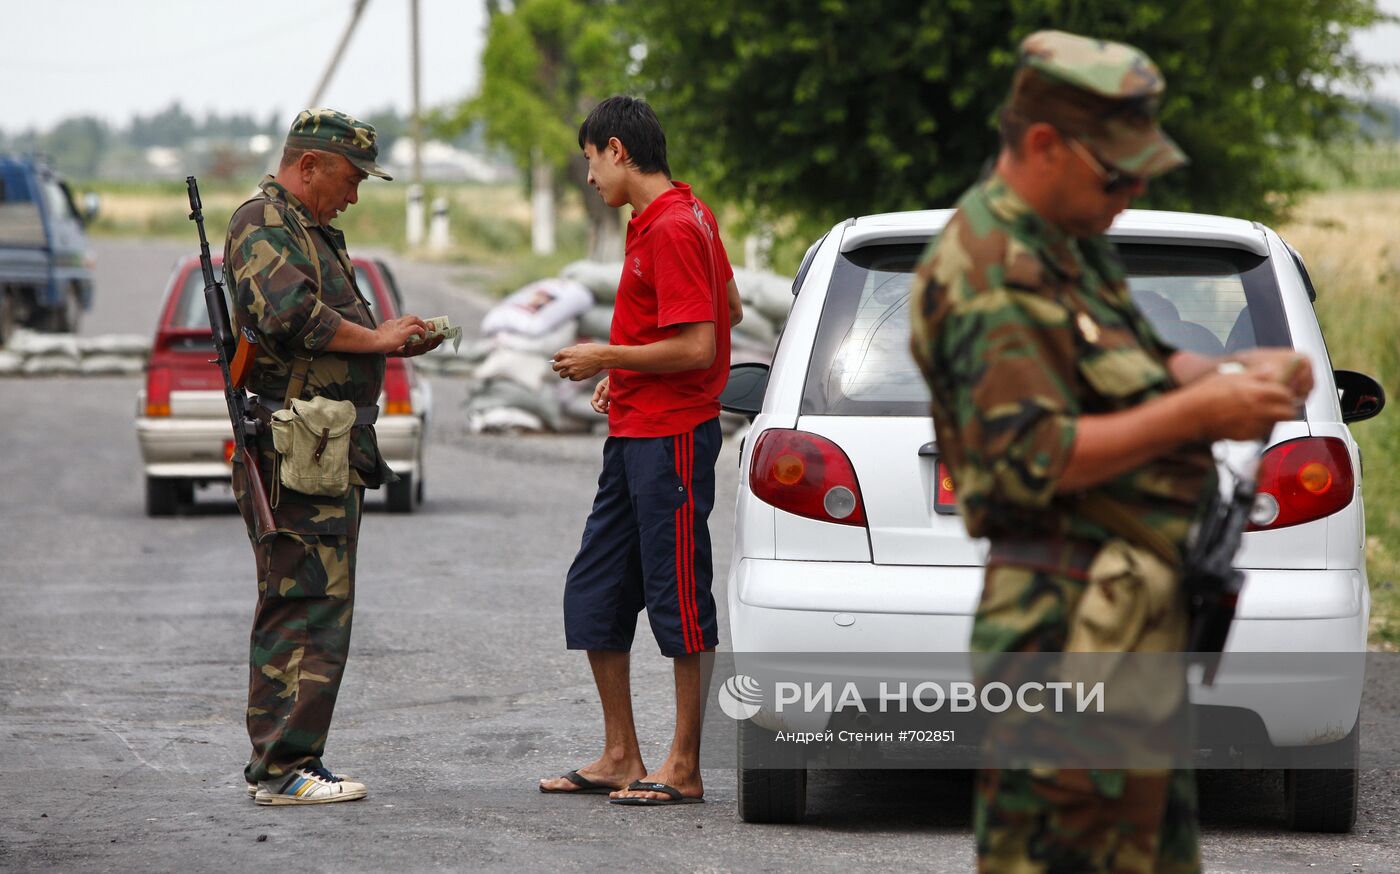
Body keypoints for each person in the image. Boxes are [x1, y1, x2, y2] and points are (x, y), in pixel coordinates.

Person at [909, 32, 1312, 872]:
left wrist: (1234, 371)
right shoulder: (986, 265)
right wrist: (1202, 410)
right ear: (1045, 145)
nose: (1130, 193)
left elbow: (1140, 361)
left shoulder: (1067, 238)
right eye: (1117, 173)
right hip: (1060, 631)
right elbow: (1032, 458)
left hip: (1125, 622)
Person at [225, 108, 440, 806]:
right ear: (308, 164)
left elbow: (318, 321)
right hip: (294, 449)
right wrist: (377, 341)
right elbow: (290, 314)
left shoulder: (305, 227)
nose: (352, 195)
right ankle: (284, 766)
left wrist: (388, 338)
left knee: (319, 603)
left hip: (322, 445)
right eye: (349, 178)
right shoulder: (263, 222)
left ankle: (291, 760)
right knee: (302, 603)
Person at [540, 95, 743, 806]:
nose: (590, 176)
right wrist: (627, 371)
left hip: (673, 440)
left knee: (678, 598)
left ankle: (683, 765)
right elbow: (734, 307)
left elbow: (702, 341)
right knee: (595, 590)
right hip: (632, 431)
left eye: (591, 160)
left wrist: (608, 355)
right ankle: (620, 754)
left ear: (618, 151)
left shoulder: (677, 226)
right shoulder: (659, 218)